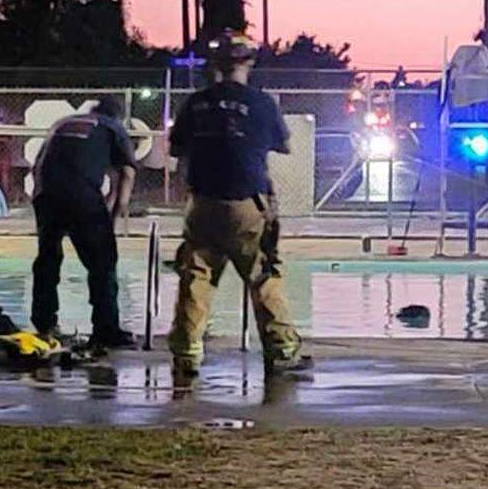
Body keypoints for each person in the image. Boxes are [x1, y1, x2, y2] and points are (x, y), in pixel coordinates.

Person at [167, 30, 305, 379]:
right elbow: (284, 146)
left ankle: (187, 353)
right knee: (263, 276)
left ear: (214, 64)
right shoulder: (261, 103)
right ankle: (282, 350)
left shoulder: (195, 103)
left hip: (202, 203)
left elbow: (176, 148)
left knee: (196, 276)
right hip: (246, 203)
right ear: (249, 62)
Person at [30, 95, 138, 348]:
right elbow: (127, 174)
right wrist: (111, 218)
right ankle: (106, 329)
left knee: (48, 257)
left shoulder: (63, 122)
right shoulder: (113, 127)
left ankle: (44, 324)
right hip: (82, 195)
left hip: (46, 193)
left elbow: (38, 164)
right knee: (103, 263)